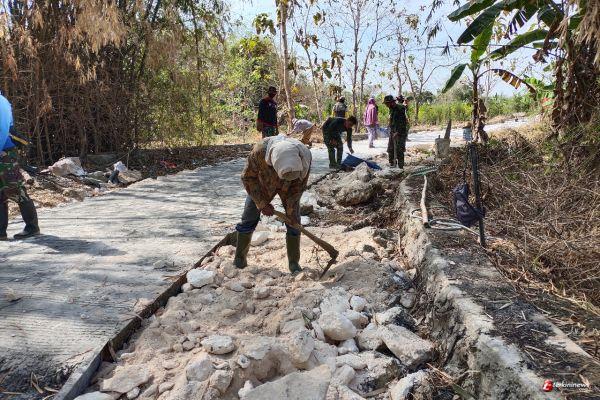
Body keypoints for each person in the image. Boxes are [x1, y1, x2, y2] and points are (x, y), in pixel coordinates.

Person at [233, 135, 312, 274]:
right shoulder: (259, 152)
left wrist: (291, 212)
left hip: (292, 187)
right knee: (248, 218)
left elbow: (299, 187)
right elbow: (247, 177)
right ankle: (239, 260)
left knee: (294, 221)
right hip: (262, 184)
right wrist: (261, 203)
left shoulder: (305, 156)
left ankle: (294, 264)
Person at [0, 93, 40, 240]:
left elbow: (3, 128)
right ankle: (1, 232)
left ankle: (32, 227)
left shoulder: (1, 102)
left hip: (5, 152)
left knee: (15, 189)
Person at [383, 95, 408, 168]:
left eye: (387, 104)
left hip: (400, 133)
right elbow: (392, 120)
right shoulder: (391, 109)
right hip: (393, 131)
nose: (386, 105)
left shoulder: (400, 109)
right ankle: (392, 164)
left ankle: (400, 167)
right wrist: (390, 127)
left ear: (391, 102)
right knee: (390, 149)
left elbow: (403, 122)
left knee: (399, 150)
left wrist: (397, 132)